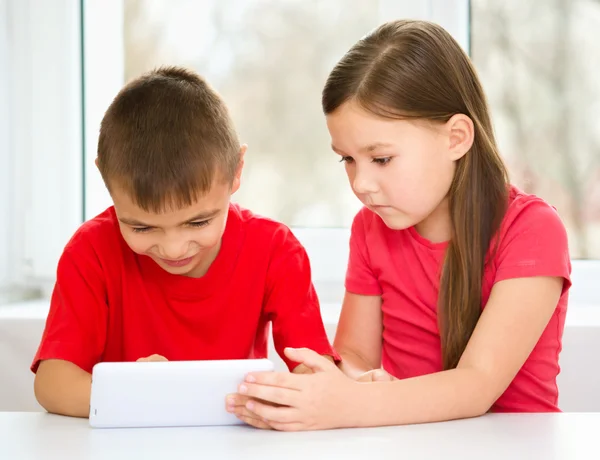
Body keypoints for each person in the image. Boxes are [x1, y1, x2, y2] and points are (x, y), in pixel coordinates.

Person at [227, 19, 571, 431]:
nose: (361, 184)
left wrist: (354, 403)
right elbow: (354, 354)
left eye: (382, 159)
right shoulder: (369, 230)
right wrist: (352, 380)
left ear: (456, 138)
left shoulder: (533, 230)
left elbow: (477, 385)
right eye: (347, 159)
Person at [32, 66, 337, 419]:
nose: (174, 249)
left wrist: (295, 396)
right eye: (142, 228)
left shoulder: (275, 250)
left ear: (237, 171)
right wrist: (132, 394)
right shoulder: (91, 252)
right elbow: (52, 384)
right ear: (105, 180)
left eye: (198, 221)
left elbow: (315, 371)